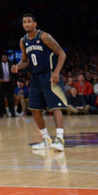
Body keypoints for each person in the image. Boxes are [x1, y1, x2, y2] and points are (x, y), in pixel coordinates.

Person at [11, 13, 68, 151]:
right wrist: (18, 66)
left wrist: (56, 72)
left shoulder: (44, 36)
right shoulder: (23, 41)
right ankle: (46, 139)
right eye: (24, 22)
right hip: (36, 77)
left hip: (49, 74)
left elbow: (62, 53)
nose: (27, 24)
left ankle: (60, 139)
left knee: (55, 107)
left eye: (29, 21)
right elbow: (25, 61)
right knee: (34, 109)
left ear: (35, 24)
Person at [0, 53, 16, 117]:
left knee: (11, 99)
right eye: (2, 57)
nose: (4, 58)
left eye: (5, 57)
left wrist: (16, 81)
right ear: (1, 58)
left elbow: (15, 74)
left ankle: (13, 113)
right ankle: (1, 114)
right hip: (1, 84)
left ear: (7, 58)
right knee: (1, 99)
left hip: (9, 84)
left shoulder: (11, 65)